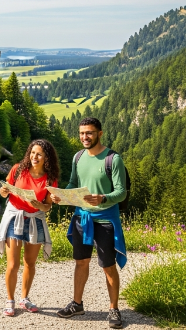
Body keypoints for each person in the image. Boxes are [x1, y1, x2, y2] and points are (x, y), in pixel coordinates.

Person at [52, 117, 127, 329]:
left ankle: (114, 309)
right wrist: (63, 195)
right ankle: (77, 304)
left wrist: (103, 197)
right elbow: (73, 183)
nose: (85, 137)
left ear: (100, 134)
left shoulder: (113, 159)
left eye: (90, 133)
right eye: (82, 133)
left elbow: (121, 192)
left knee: (108, 266)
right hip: (81, 218)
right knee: (80, 262)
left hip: (105, 219)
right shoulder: (78, 157)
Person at [0, 139, 58, 317]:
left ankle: (24, 298)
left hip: (35, 219)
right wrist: (4, 192)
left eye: (39, 154)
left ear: (47, 158)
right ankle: (10, 301)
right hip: (15, 217)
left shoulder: (50, 179)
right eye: (32, 153)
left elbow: (48, 206)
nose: (34, 157)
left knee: (30, 262)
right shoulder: (18, 169)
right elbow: (4, 190)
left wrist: (39, 205)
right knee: (13, 264)